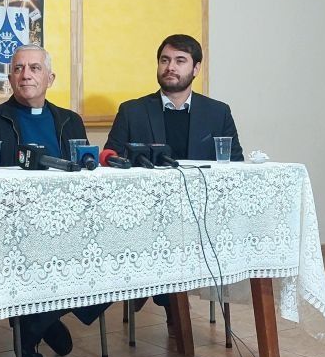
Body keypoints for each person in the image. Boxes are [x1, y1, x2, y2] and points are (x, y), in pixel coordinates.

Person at [0, 44, 109, 357]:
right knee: (50, 251)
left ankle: (36, 322)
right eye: (18, 68)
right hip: (15, 223)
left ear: (50, 77)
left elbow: (83, 171)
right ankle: (40, 320)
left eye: (34, 68)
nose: (25, 75)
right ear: (10, 77)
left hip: (69, 218)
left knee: (113, 251)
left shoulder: (70, 121)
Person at [104, 33, 243, 326]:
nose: (170, 67)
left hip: (201, 220)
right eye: (165, 60)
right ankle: (168, 303)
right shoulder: (133, 111)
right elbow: (111, 158)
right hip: (145, 220)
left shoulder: (218, 112)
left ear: (195, 69)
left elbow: (235, 164)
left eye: (180, 61)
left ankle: (167, 299)